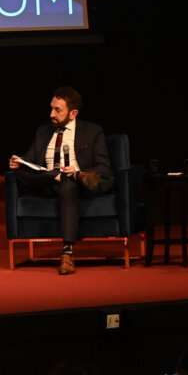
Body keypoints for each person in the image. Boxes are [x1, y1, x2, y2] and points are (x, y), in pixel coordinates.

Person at [8, 86, 114, 275]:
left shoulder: (92, 131)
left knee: (68, 185)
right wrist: (19, 162)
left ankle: (67, 253)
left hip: (76, 183)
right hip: (47, 183)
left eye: (58, 110)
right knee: (18, 173)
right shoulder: (43, 132)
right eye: (51, 108)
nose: (52, 114)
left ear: (73, 113)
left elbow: (103, 168)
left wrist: (77, 171)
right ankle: (58, 175)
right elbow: (30, 160)